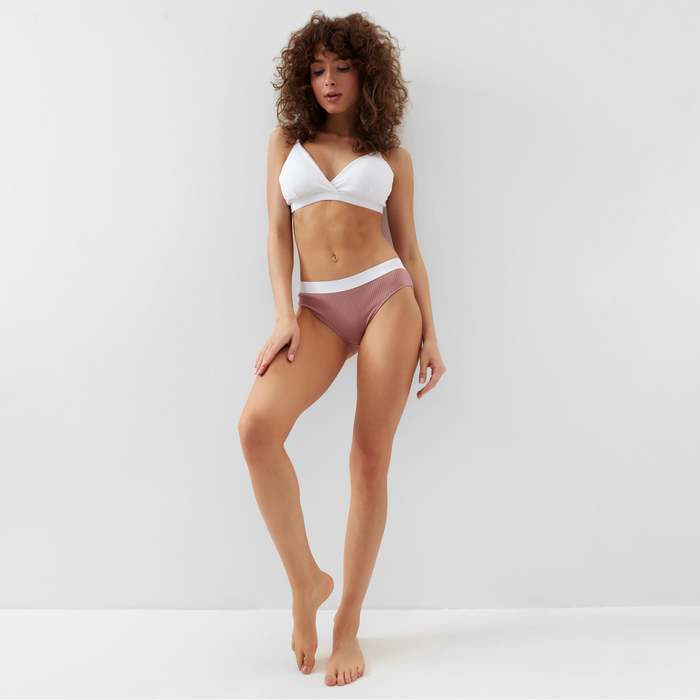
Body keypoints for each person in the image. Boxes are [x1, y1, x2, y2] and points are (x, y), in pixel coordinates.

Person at [237, 11, 446, 687]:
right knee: (257, 429)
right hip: (317, 311)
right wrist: (284, 317)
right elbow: (278, 234)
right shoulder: (285, 143)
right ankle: (307, 581)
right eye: (318, 69)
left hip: (387, 299)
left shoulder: (393, 159)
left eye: (343, 67)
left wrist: (431, 334)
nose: (329, 80)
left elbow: (409, 248)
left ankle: (348, 622)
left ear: (366, 74)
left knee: (367, 462)